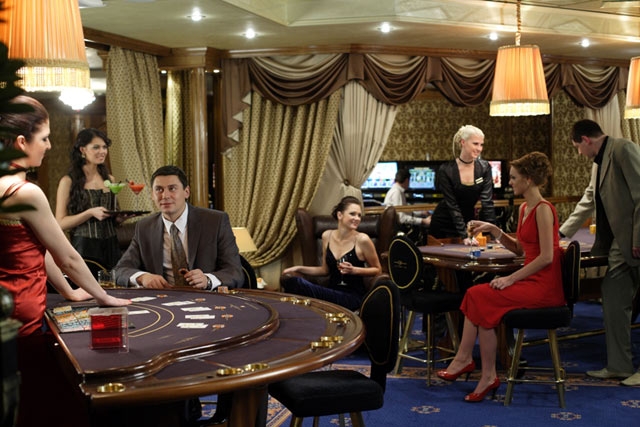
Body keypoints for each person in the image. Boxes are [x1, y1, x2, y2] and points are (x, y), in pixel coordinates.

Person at [0, 95, 131, 427]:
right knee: (47, 405)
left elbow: (38, 249)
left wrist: (70, 292)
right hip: (24, 315)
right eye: (44, 138)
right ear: (21, 142)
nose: (49, 146)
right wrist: (103, 296)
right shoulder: (25, 192)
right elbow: (68, 257)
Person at [436, 152, 565, 402]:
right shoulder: (525, 207)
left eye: (514, 178)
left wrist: (511, 279)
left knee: (479, 296)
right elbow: (520, 250)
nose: (510, 182)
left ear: (528, 179)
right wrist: (495, 231)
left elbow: (547, 257)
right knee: (477, 296)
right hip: (530, 281)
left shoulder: (543, 209)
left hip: (544, 286)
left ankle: (470, 363)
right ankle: (481, 371)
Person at [568, 119, 640, 387]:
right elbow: (589, 198)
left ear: (586, 140)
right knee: (612, 296)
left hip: (635, 238)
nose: (579, 153)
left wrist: (638, 238)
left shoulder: (623, 149)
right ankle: (619, 366)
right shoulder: (598, 162)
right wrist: (562, 233)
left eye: (577, 147)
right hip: (620, 243)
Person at [115, 165, 243, 290]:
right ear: (152, 195)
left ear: (186, 192)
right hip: (163, 298)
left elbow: (235, 272)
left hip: (206, 297)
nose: (165, 196)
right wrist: (142, 277)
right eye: (159, 190)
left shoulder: (215, 222)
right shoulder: (144, 227)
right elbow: (120, 270)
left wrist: (207, 279)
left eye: (172, 188)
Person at [281, 196, 382, 311]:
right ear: (340, 215)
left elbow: (377, 270)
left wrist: (354, 270)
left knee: (296, 283)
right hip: (331, 292)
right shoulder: (327, 236)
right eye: (352, 214)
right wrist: (298, 268)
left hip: (352, 297)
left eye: (359, 215)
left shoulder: (363, 239)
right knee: (292, 282)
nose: (357, 218)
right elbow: (324, 270)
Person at [55, 128, 124, 270]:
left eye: (104, 147)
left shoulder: (110, 180)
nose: (102, 151)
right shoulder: (68, 181)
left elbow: (113, 215)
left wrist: (119, 218)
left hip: (111, 245)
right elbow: (60, 223)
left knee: (114, 283)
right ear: (83, 150)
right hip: (84, 246)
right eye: (96, 147)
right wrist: (89, 213)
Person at [429, 125, 496, 244]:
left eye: (481, 144)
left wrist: (494, 234)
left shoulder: (484, 168)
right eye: (475, 144)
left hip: (468, 222)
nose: (479, 149)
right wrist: (464, 235)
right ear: (463, 142)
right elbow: (452, 205)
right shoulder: (446, 170)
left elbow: (487, 203)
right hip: (443, 223)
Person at [559, 163, 597, 238]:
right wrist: (561, 233)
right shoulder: (596, 164)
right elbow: (590, 196)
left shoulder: (618, 156)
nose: (580, 153)